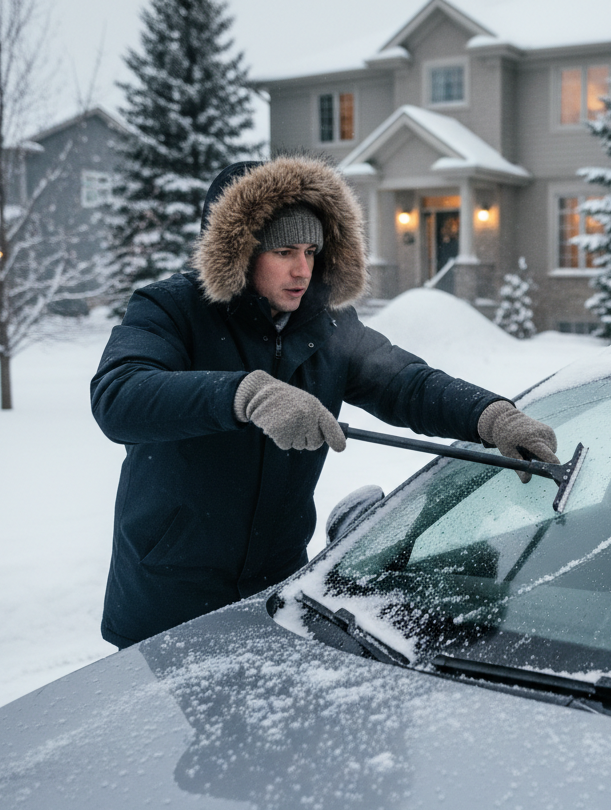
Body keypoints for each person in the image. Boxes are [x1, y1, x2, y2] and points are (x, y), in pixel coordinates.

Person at [91, 156, 558, 649]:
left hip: (274, 589)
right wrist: (244, 394)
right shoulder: (172, 309)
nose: (302, 269)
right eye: (284, 251)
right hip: (169, 592)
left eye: (311, 251)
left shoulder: (327, 324)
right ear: (240, 252)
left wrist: (489, 417)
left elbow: (406, 383)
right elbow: (119, 394)